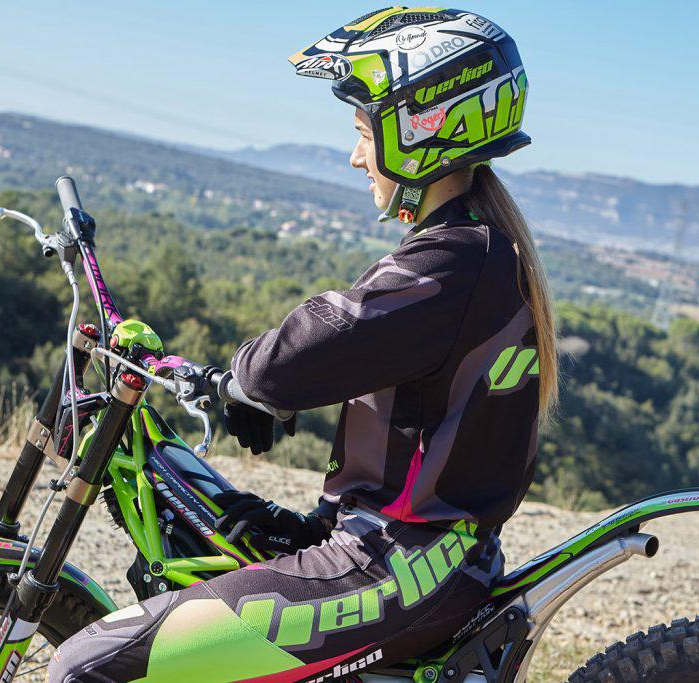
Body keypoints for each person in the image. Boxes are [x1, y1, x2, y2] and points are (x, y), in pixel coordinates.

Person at [48, 7, 557, 682]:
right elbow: (389, 388)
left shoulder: (454, 262)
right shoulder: (480, 251)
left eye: (363, 131)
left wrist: (242, 382)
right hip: (416, 555)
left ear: (423, 125)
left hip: (396, 564)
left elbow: (310, 345)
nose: (356, 155)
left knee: (84, 665)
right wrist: (279, 423)